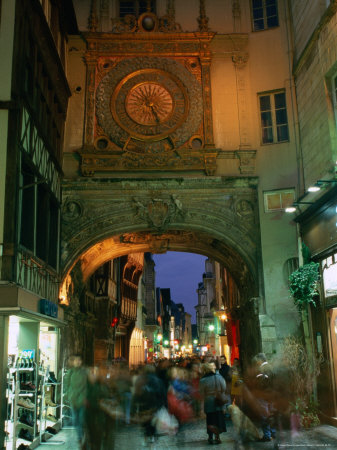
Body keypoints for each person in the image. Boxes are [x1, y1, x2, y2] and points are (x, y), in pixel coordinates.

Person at [199, 361, 227, 445]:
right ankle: (217, 437)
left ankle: (210, 437)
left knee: (210, 420)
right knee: (218, 419)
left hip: (208, 402)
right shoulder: (219, 377)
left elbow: (201, 393)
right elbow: (224, 388)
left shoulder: (203, 380)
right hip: (218, 400)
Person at [64, 355, 88, 447]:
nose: (78, 362)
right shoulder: (70, 372)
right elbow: (67, 385)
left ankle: (82, 437)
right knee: (75, 420)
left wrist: (84, 396)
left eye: (79, 360)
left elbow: (86, 386)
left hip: (82, 399)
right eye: (76, 360)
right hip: (73, 399)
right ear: (73, 362)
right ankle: (80, 437)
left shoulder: (84, 372)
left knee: (81, 419)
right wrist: (69, 395)